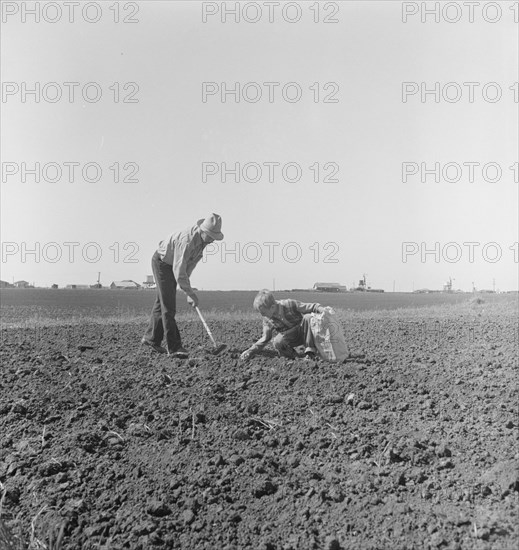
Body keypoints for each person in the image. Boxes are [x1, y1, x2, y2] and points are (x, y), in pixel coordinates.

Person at [141, 213, 223, 358]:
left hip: (173, 265)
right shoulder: (186, 241)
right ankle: (174, 347)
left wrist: (187, 291)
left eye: (214, 237)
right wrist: (190, 293)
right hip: (162, 263)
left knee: (162, 303)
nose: (211, 240)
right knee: (168, 306)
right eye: (210, 236)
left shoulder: (202, 243)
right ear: (202, 230)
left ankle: (151, 339)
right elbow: (179, 271)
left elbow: (188, 267)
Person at [240, 289, 326, 361]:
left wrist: (323, 310)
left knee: (308, 317)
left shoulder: (289, 304)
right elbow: (265, 338)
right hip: (290, 337)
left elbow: (311, 307)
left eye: (263, 313)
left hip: (305, 333)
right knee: (277, 342)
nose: (262, 315)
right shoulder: (267, 320)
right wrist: (250, 351)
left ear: (272, 307)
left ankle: (311, 353)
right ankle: (296, 358)